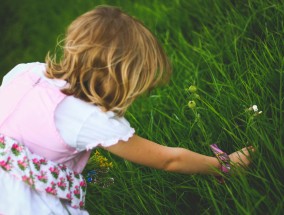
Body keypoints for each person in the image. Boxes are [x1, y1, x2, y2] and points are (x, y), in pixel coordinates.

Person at [0, 5, 254, 215]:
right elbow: (168, 159)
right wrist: (225, 165)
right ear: (121, 78)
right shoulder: (88, 116)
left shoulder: (25, 71)